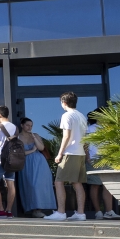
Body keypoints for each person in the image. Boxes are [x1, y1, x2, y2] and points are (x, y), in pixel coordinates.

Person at [47, 92, 89, 221]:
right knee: (77, 183)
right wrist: (86, 154)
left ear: (64, 103)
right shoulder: (81, 116)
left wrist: (60, 153)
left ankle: (60, 213)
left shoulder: (67, 115)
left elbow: (66, 136)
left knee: (58, 181)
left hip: (70, 153)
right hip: (80, 152)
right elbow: (86, 137)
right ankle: (81, 213)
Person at [17, 118, 58, 217]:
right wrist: (31, 151)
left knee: (40, 185)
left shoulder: (35, 135)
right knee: (30, 185)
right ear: (22, 125)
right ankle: (32, 209)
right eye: (27, 125)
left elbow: (41, 148)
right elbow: (20, 153)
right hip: (26, 163)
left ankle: (39, 209)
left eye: (31, 126)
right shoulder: (18, 137)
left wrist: (34, 138)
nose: (29, 127)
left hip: (39, 163)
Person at [85, 113, 120, 220]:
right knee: (95, 185)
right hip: (94, 159)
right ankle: (98, 212)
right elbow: (85, 144)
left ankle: (109, 211)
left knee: (108, 185)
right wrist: (88, 158)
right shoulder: (90, 129)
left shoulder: (109, 128)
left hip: (108, 159)